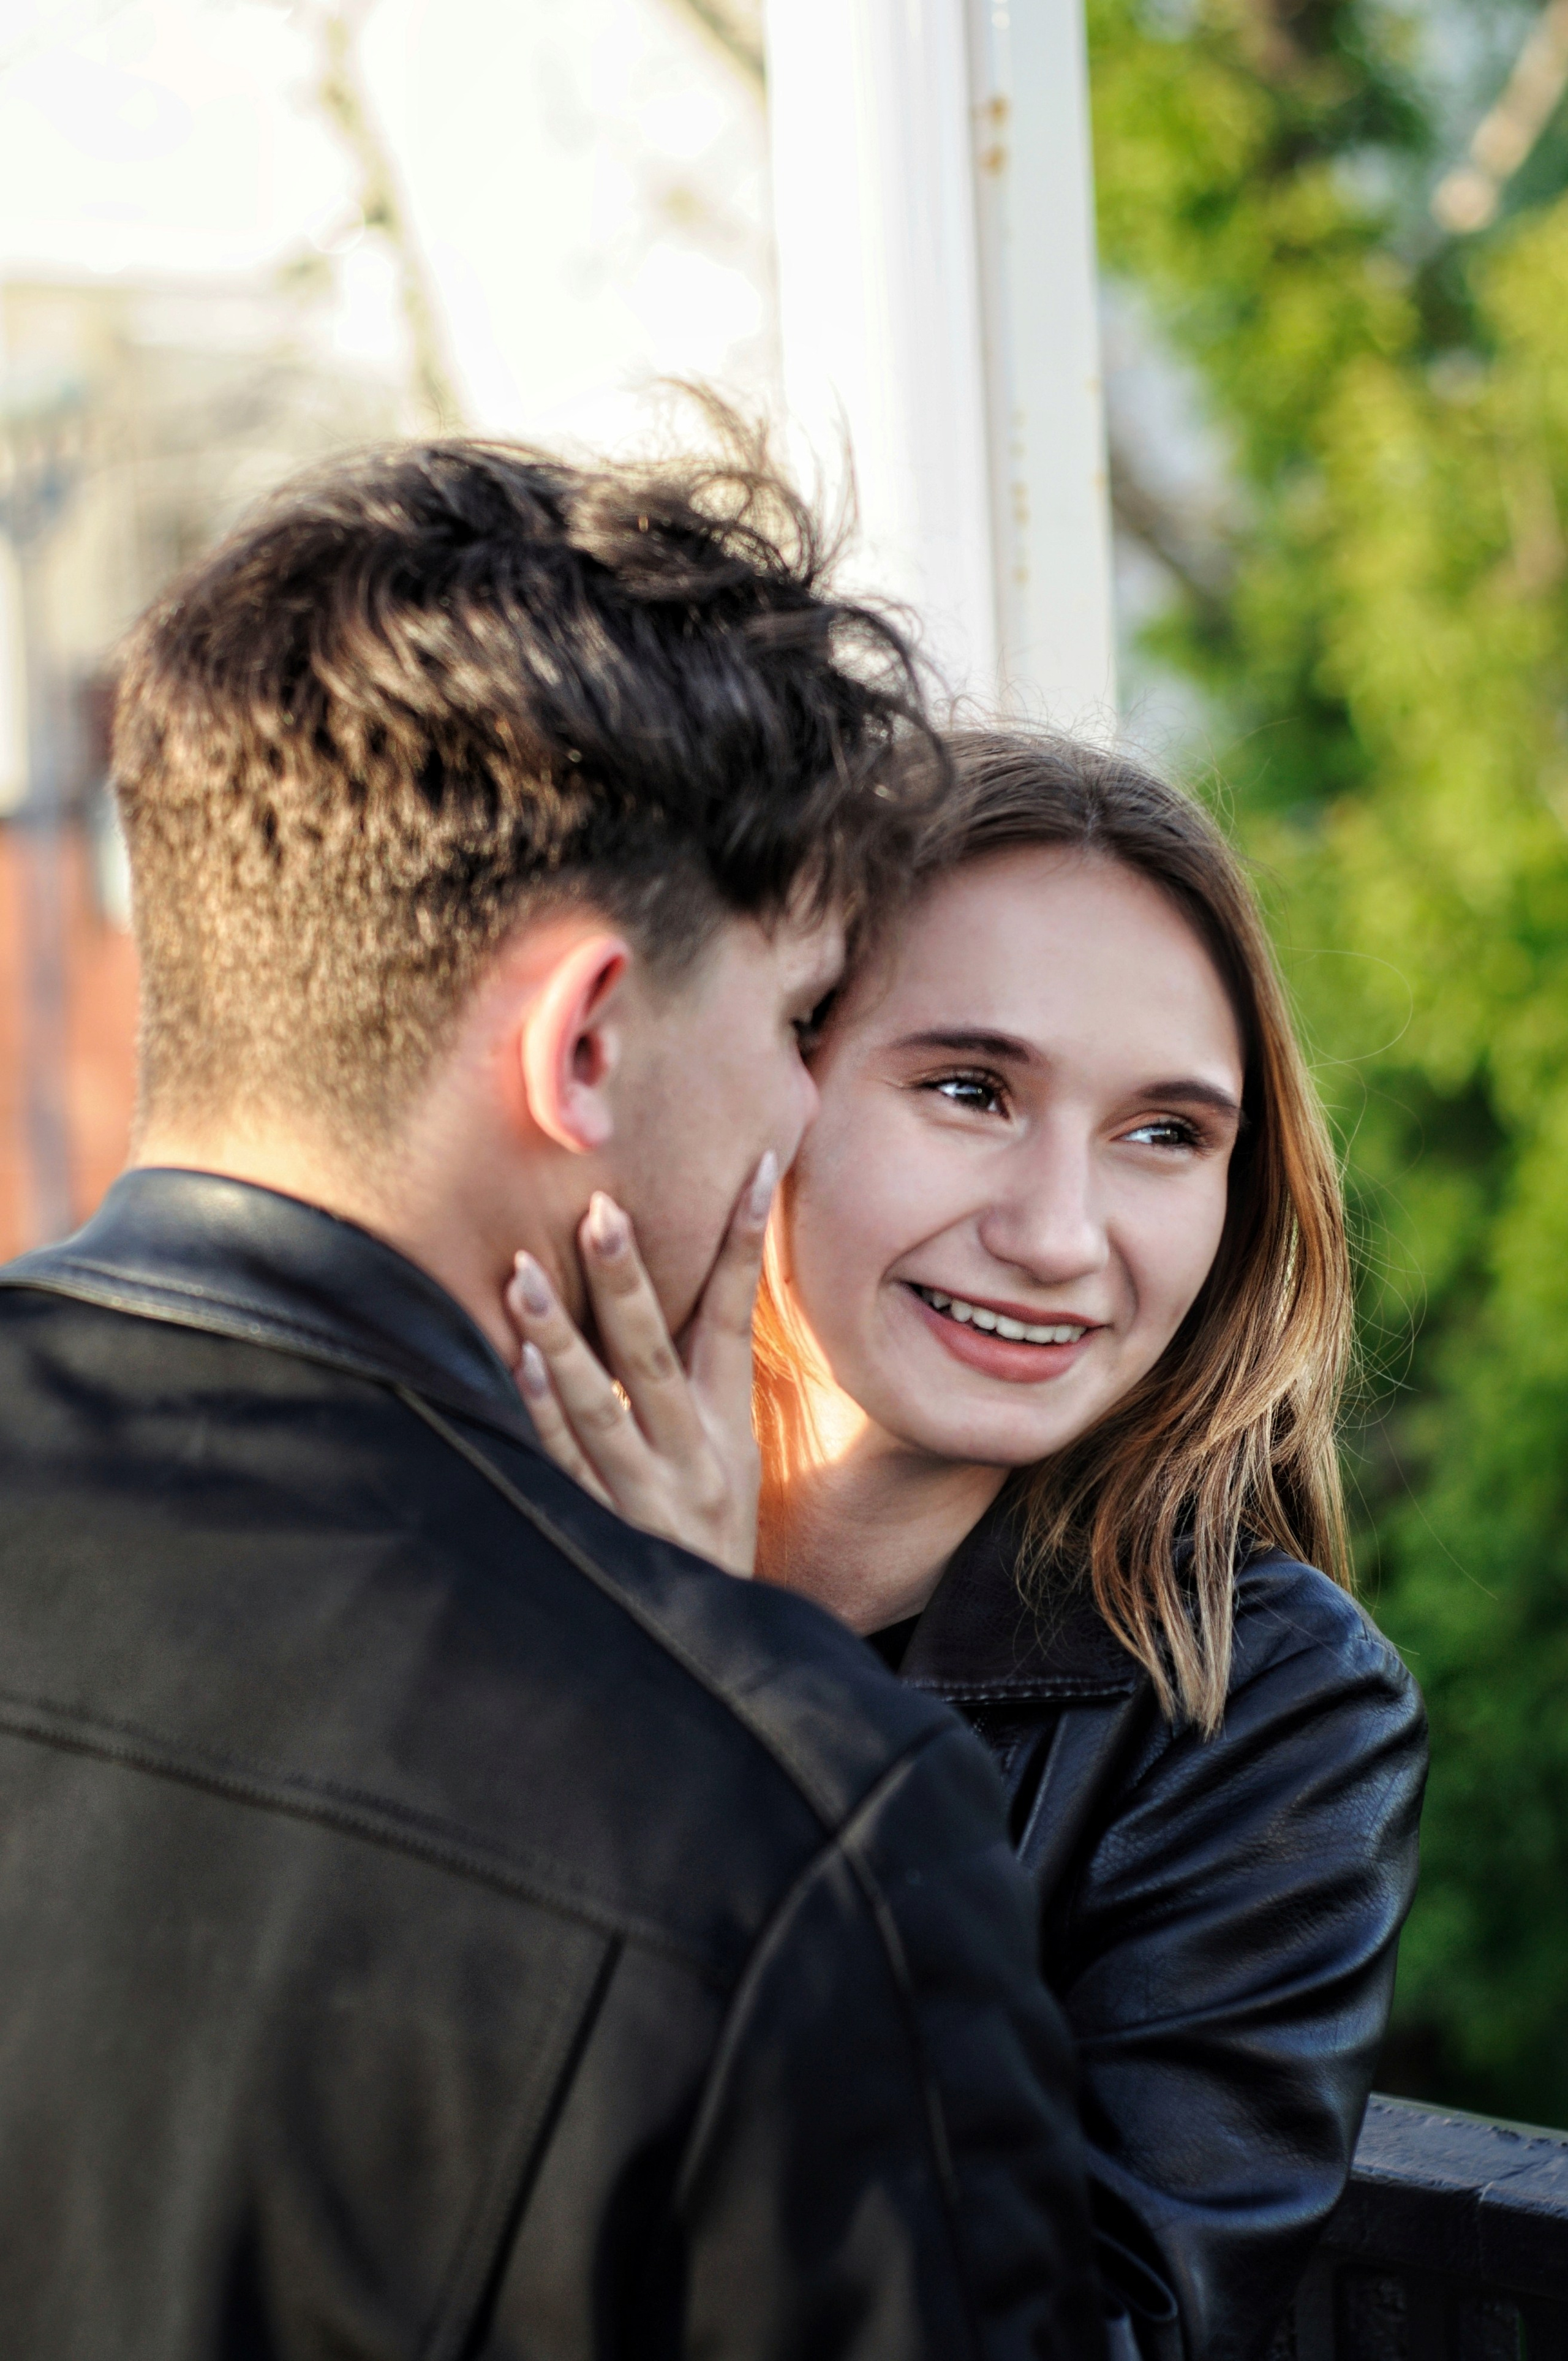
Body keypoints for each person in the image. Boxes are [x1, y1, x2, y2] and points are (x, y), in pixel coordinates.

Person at [0, 453, 1105, 2359]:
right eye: (797, 1023)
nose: (795, 1121)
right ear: (584, 1041)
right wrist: (705, 1679)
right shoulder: (789, 1830)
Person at [505, 729, 1430, 2361]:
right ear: (763, 1082)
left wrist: (723, 1714)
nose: (1062, 1234)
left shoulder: (1267, 1716)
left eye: (1167, 1133)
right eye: (968, 1090)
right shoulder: (463, 1547)